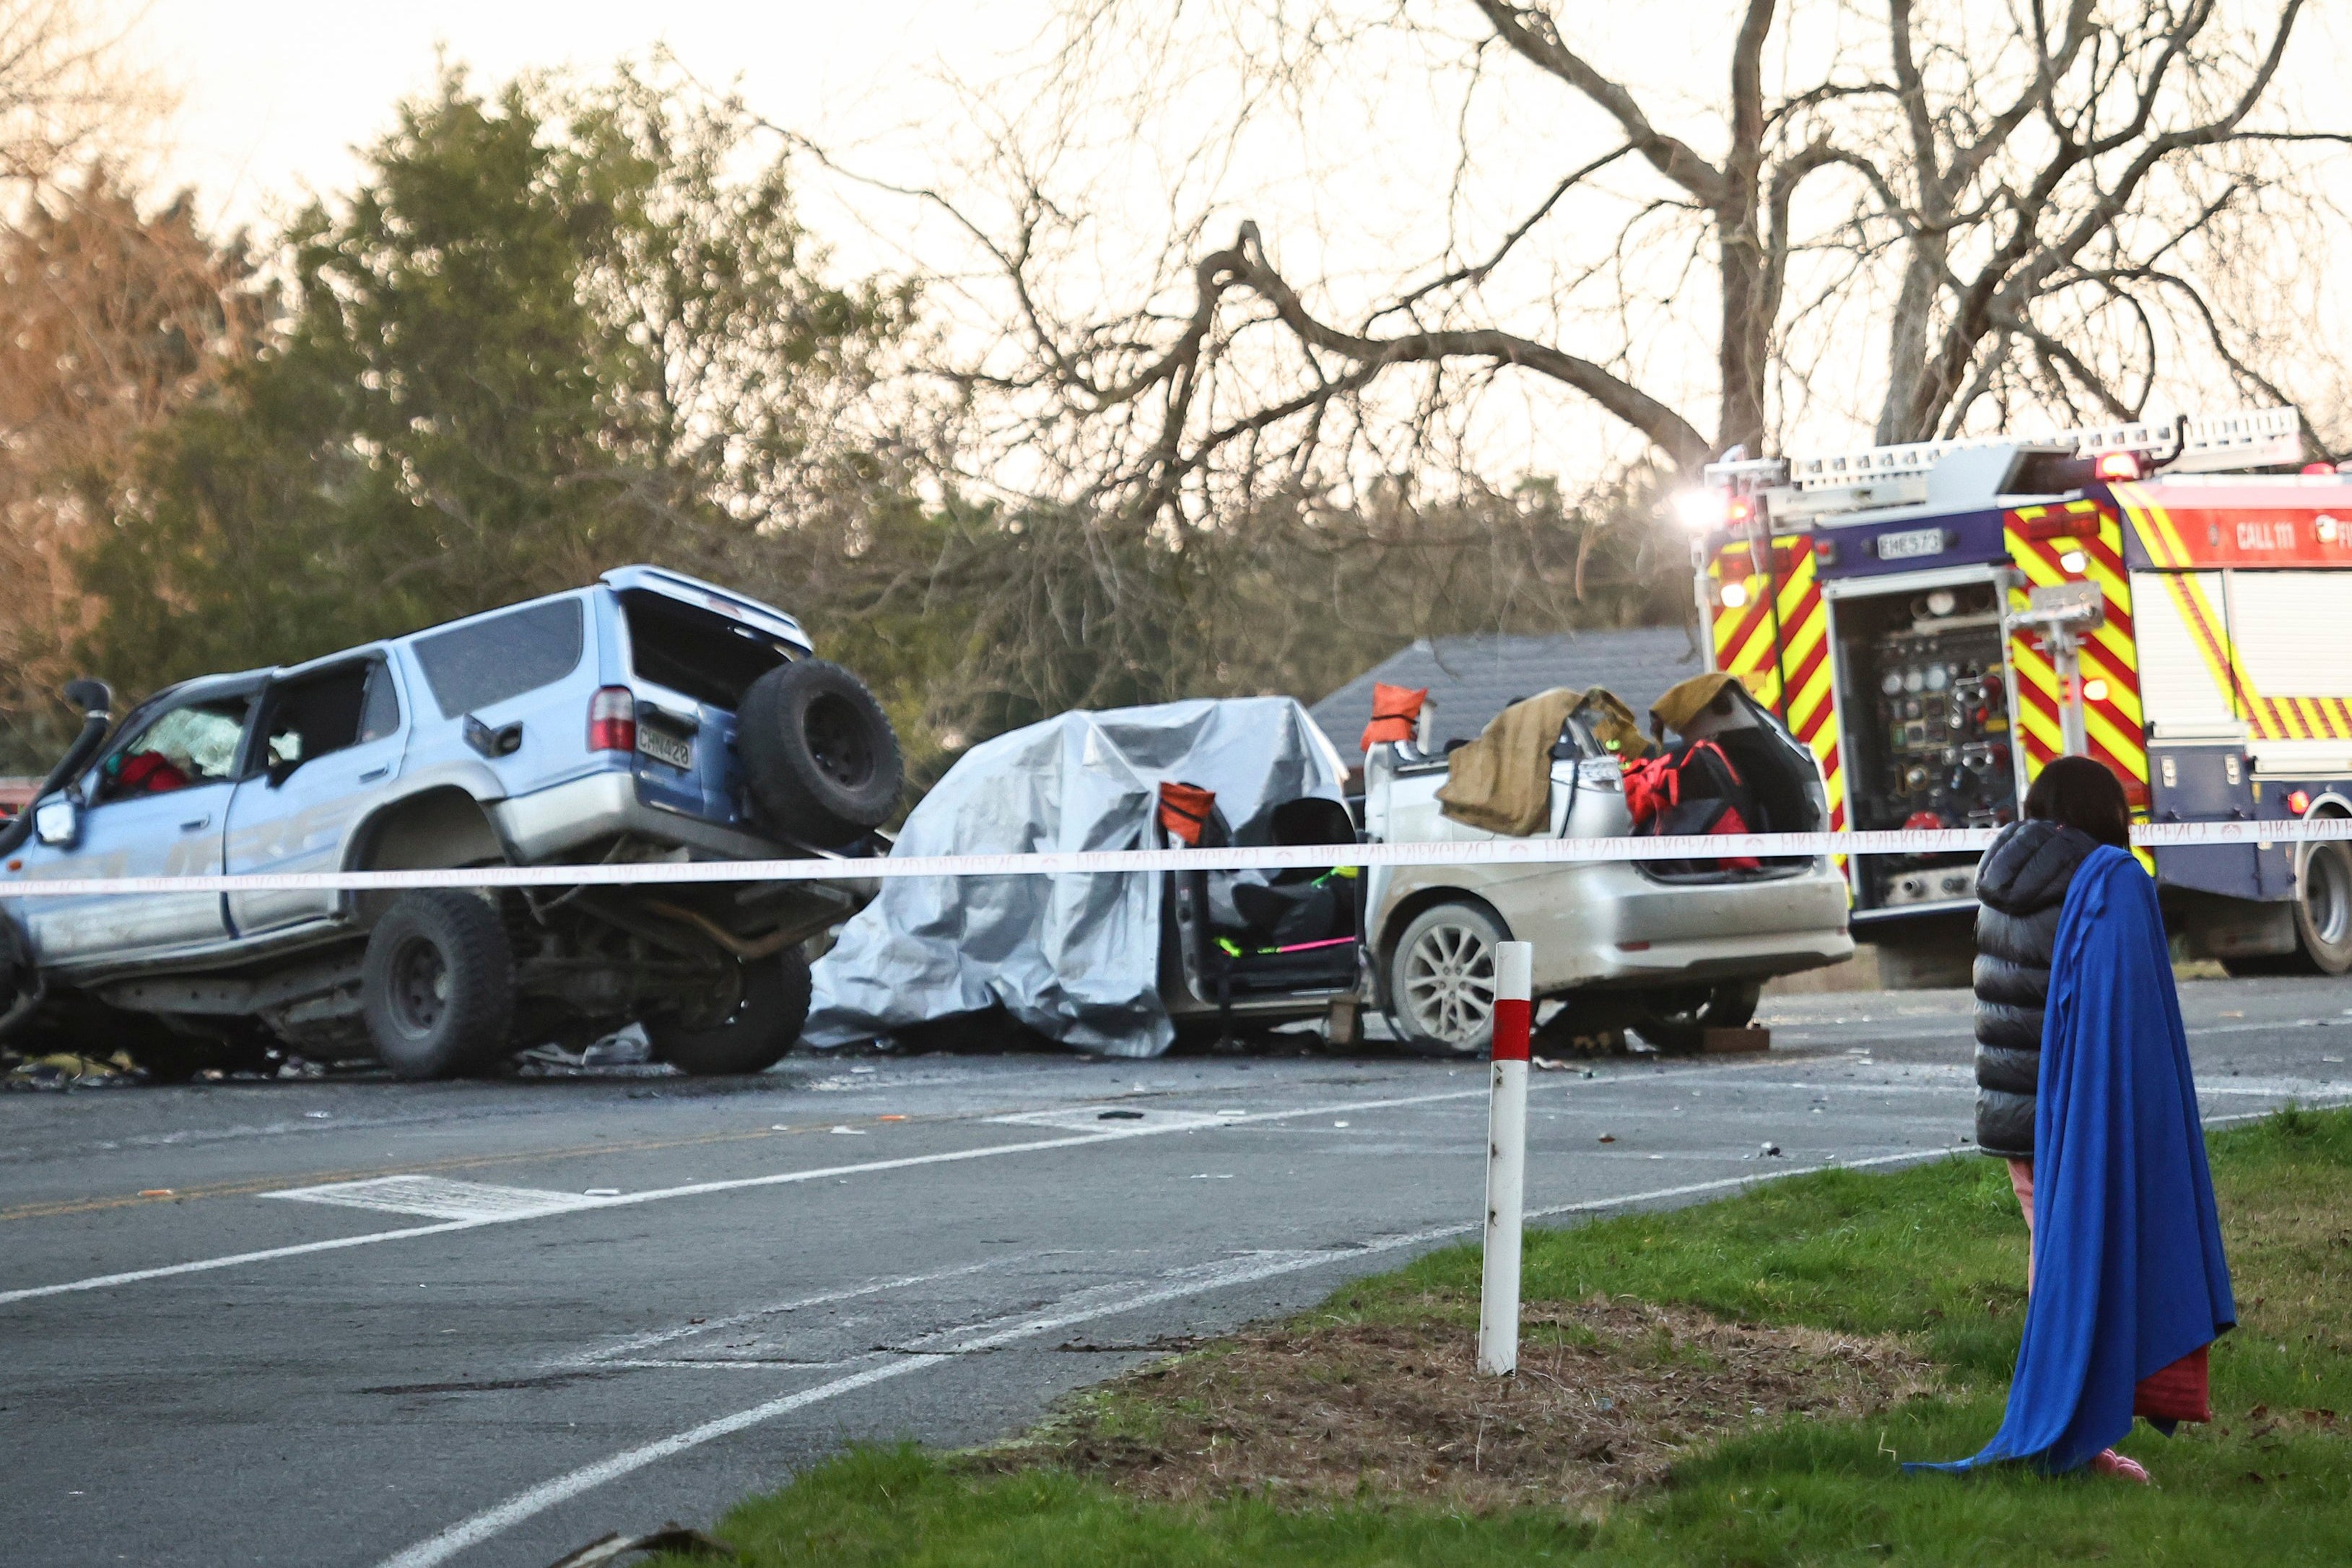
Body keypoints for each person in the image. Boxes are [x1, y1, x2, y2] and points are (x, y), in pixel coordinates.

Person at [1915, 755, 2236, 1481]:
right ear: (2104, 814)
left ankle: (2076, 1428)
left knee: (2062, 1271)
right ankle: (2074, 1440)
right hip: (2072, 1112)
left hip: (2012, 1111)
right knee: (2080, 1278)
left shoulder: (2003, 866)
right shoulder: (2099, 886)